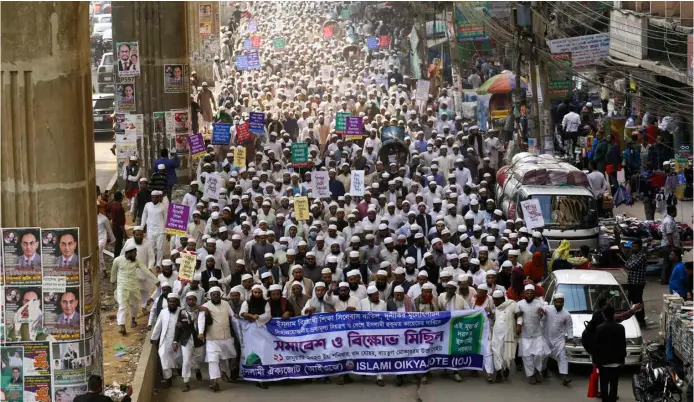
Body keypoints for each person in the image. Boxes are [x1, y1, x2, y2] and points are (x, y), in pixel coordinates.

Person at [111, 243, 157, 335]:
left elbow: (145, 270)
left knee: (134, 305)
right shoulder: (118, 260)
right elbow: (113, 272)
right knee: (122, 305)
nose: (136, 255)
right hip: (122, 286)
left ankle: (133, 319)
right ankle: (121, 325)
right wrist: (112, 281)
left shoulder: (137, 261)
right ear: (129, 252)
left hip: (134, 287)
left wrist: (156, 280)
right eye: (135, 253)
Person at [198, 286, 237, 392]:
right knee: (213, 360)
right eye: (213, 294)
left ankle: (224, 372)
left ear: (220, 295)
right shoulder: (205, 306)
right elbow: (201, 320)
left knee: (225, 357)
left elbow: (232, 316)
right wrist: (201, 332)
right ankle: (215, 381)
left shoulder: (226, 304)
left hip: (226, 337)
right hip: (212, 338)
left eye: (217, 294)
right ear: (210, 296)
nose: (215, 296)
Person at [613, 227, 648, 327]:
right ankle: (634, 318)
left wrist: (627, 265)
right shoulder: (634, 255)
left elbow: (630, 265)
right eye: (633, 247)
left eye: (636, 247)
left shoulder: (642, 256)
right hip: (631, 282)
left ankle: (641, 321)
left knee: (638, 302)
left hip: (638, 283)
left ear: (640, 247)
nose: (633, 248)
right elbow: (627, 264)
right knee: (631, 300)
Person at [516, 284, 549, 384]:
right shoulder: (520, 304)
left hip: (537, 333)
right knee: (527, 356)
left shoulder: (539, 303)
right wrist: (518, 325)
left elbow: (543, 319)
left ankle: (537, 371)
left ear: (534, 293)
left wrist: (541, 313)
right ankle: (531, 375)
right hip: (525, 333)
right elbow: (519, 317)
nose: (529, 294)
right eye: (527, 293)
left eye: (531, 292)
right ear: (524, 293)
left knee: (538, 354)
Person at [593, 305, 626, 402]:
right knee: (614, 384)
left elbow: (596, 346)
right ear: (613, 314)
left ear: (603, 315)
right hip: (616, 361)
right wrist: (622, 360)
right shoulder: (620, 328)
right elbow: (623, 345)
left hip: (603, 362)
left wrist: (595, 361)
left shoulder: (599, 328)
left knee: (604, 384)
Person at [150, 293, 182, 387]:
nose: (172, 303)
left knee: (178, 359)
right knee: (163, 357)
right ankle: (168, 378)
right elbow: (158, 325)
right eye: (170, 301)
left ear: (177, 302)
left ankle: (178, 369)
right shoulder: (163, 312)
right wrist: (154, 337)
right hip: (164, 339)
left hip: (178, 340)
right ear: (167, 302)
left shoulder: (182, 311)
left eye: (174, 301)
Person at [541, 293, 572, 386]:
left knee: (563, 356)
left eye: (561, 302)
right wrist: (541, 313)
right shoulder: (547, 309)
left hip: (559, 339)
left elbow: (569, 327)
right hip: (546, 337)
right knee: (543, 356)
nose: (559, 304)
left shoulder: (567, 314)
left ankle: (564, 376)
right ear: (554, 302)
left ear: (563, 303)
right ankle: (543, 370)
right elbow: (541, 317)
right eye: (557, 302)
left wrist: (571, 338)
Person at [490, 289, 517, 383]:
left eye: (497, 300)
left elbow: (519, 316)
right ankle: (498, 373)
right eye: (494, 300)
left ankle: (507, 367)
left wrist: (519, 326)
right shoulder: (496, 307)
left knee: (507, 352)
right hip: (497, 334)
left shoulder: (512, 305)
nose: (495, 302)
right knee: (496, 352)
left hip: (508, 334)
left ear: (502, 299)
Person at [660, 205, 681, 285]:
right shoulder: (669, 221)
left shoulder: (668, 219)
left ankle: (665, 280)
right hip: (669, 246)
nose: (676, 212)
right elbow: (669, 235)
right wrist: (673, 247)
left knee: (667, 264)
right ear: (673, 211)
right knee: (670, 264)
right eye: (676, 211)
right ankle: (668, 280)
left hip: (668, 245)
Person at [108, 191, 127, 257]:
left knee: (117, 244)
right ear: (121, 198)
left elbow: (108, 213)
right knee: (118, 244)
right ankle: (117, 258)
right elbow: (121, 223)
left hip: (113, 227)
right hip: (119, 229)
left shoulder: (112, 205)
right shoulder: (119, 208)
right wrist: (124, 232)